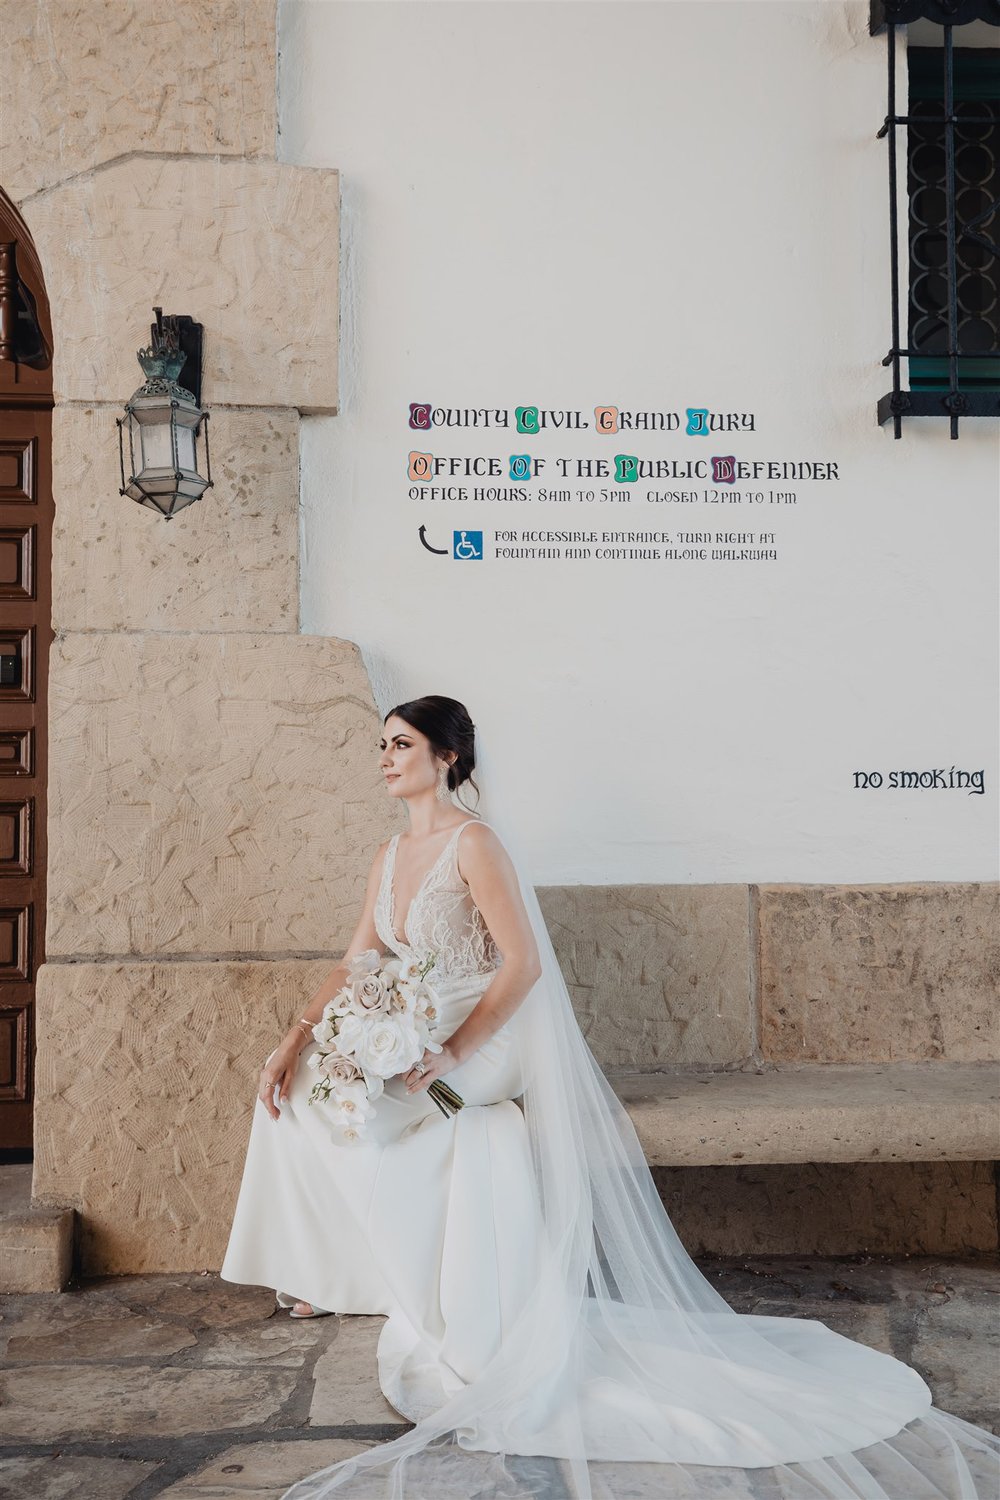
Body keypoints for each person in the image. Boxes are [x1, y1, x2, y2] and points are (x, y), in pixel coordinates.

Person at [221, 695, 1000, 1500]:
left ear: (447, 756)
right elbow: (359, 962)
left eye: (401, 743)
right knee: (301, 1091)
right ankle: (339, 1267)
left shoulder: (474, 844)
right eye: (380, 745)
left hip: (486, 1033)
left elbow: (521, 966)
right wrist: (298, 1037)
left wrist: (451, 1051)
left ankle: (389, 1273)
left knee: (373, 1111)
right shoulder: (388, 855)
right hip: (411, 1019)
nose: (385, 757)